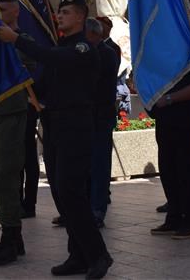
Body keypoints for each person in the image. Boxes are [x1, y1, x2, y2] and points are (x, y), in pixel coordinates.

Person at [0, 0, 113, 279]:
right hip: (56, 125)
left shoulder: (83, 48)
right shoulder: (59, 48)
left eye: (66, 12)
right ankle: (78, 255)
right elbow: (43, 82)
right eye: (59, 12)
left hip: (77, 125)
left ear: (81, 18)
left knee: (72, 191)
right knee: (62, 193)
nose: (59, 16)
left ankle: (99, 254)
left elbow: (52, 58)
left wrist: (17, 40)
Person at [0, 0, 35, 265]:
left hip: (12, 114)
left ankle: (10, 236)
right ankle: (12, 236)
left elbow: (35, 73)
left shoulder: (24, 43)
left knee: (6, 176)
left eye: (3, 8)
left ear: (16, 12)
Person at [149, 68, 190, 240]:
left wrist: (170, 98)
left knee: (185, 171)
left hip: (185, 118)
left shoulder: (189, 56)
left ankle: (189, 221)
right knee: (167, 170)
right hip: (165, 119)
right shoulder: (163, 58)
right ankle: (173, 216)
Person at [86, 18, 120, 229]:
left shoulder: (107, 53)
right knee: (86, 166)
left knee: (99, 165)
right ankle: (85, 207)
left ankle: (98, 208)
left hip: (100, 117)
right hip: (86, 118)